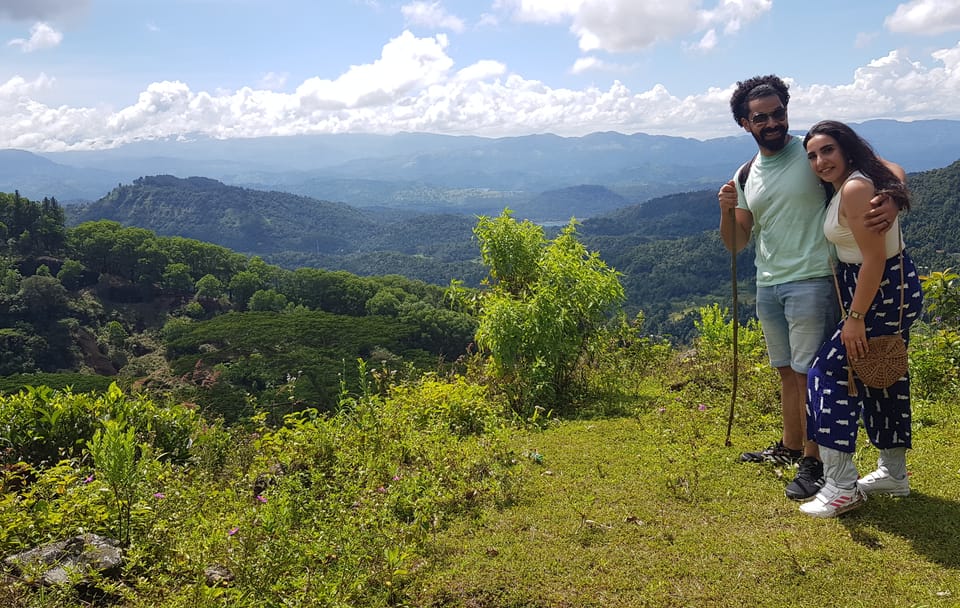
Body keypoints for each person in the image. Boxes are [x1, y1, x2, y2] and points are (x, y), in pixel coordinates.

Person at [717, 75, 900, 502]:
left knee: (808, 374)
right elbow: (737, 241)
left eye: (778, 113)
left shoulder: (812, 152)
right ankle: (792, 445)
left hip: (815, 278)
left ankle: (815, 462)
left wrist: (893, 197)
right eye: (760, 117)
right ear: (745, 123)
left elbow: (888, 171)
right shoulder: (745, 174)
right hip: (769, 282)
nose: (772, 122)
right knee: (786, 370)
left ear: (786, 111)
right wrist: (725, 211)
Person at [798, 120, 923, 518]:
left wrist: (855, 317)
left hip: (879, 289)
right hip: (886, 287)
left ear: (846, 149)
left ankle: (841, 486)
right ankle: (893, 473)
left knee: (828, 374)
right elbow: (893, 169)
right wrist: (894, 192)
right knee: (881, 371)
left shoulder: (854, 187)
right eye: (812, 156)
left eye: (827, 150)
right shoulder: (854, 181)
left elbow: (874, 259)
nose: (820, 161)